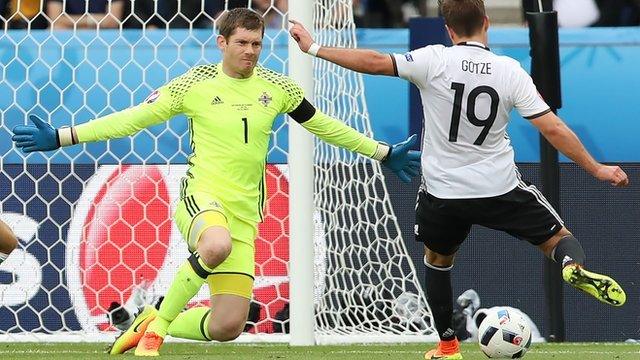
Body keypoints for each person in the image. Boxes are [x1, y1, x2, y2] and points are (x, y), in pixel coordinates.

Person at [11, 7, 420, 356]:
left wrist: (381, 152)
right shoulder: (195, 83)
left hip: (245, 214)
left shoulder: (277, 87)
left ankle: (152, 319)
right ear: (221, 43)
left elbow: (325, 126)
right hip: (202, 199)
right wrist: (64, 136)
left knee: (228, 326)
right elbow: (133, 118)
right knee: (215, 245)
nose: (250, 52)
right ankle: (155, 332)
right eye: (242, 43)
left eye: (257, 44)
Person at [289, 0, 629, 358]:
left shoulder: (433, 59)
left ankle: (448, 345)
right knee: (558, 239)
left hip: (443, 192)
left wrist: (314, 47)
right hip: (498, 187)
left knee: (437, 261)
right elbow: (552, 127)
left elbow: (375, 62)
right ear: (486, 22)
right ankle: (572, 267)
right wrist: (598, 169)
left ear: (448, 29)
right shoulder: (509, 70)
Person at [47, 0, 124, 29]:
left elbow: (113, 21)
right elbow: (54, 20)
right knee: (56, 29)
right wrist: (90, 20)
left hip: (101, 32)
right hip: (70, 31)